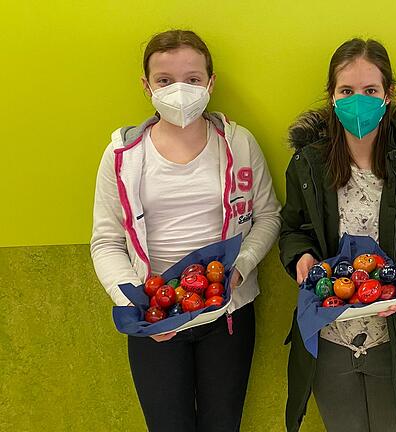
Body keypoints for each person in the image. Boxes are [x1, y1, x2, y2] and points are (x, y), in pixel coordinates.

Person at [90, 29, 281, 431]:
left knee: (223, 423)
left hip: (227, 310)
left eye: (192, 79)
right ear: (146, 86)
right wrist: (132, 298)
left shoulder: (239, 143)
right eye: (165, 80)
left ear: (210, 84)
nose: (179, 90)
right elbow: (106, 241)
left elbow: (268, 216)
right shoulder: (123, 156)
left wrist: (241, 267)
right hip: (154, 314)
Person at [279, 38, 396, 432]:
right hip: (330, 339)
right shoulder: (308, 163)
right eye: (346, 91)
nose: (357, 100)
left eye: (370, 90)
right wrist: (301, 259)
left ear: (388, 94)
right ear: (332, 96)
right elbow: (293, 229)